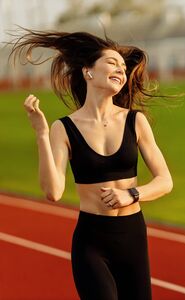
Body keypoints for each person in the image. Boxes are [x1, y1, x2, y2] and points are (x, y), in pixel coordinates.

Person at [10, 29, 173, 300]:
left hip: (133, 236)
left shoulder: (136, 121)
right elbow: (53, 192)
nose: (121, 70)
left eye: (123, 67)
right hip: (92, 242)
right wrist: (41, 134)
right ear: (88, 72)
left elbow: (165, 181)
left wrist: (131, 194)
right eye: (112, 63)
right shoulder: (63, 128)